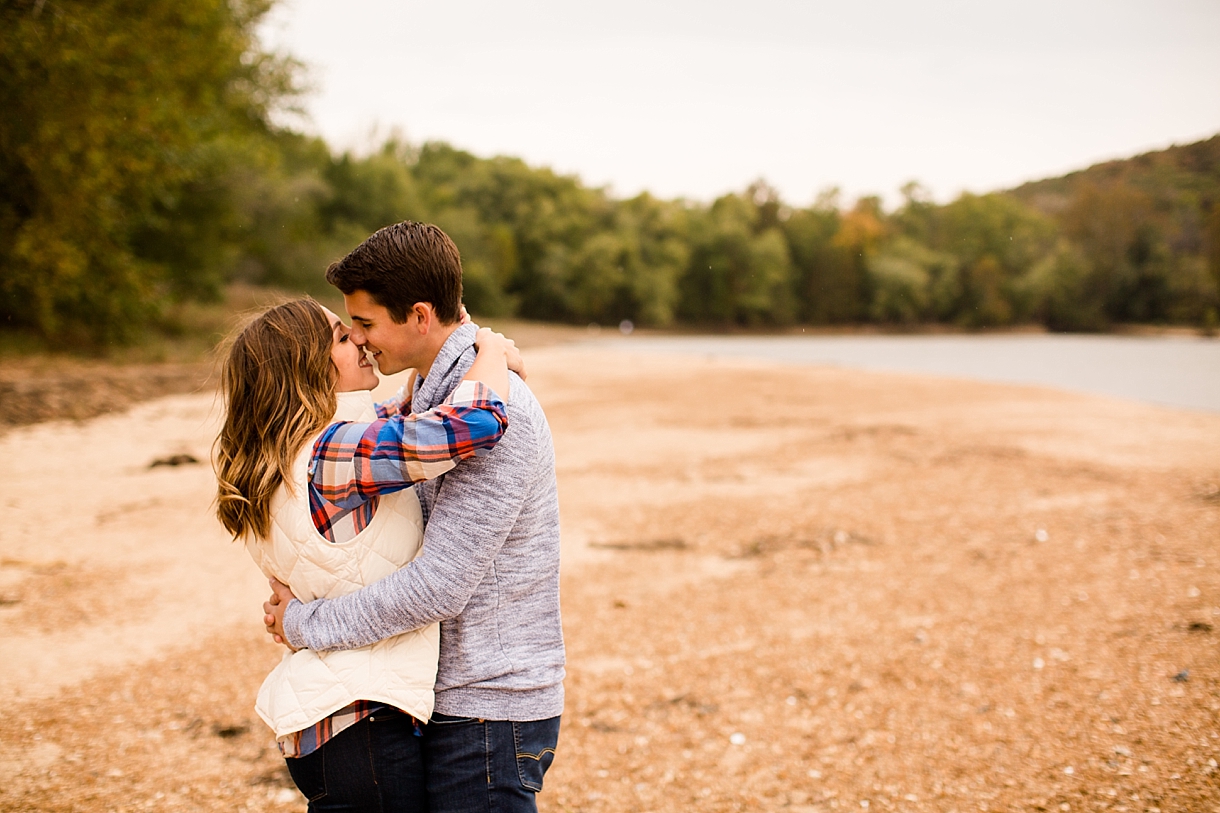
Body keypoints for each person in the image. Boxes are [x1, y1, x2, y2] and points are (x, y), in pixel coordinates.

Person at [263, 221, 565, 813]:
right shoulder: (432, 392)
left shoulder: (499, 416)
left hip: (488, 702)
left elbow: (439, 586)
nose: (358, 338)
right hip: (441, 693)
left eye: (367, 324)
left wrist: (304, 624)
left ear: (420, 316)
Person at [214, 296, 521, 812]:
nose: (358, 339)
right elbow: (475, 423)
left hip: (330, 720)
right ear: (305, 369)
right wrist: (487, 348)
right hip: (362, 721)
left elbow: (397, 423)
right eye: (339, 336)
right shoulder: (335, 455)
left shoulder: (279, 457)